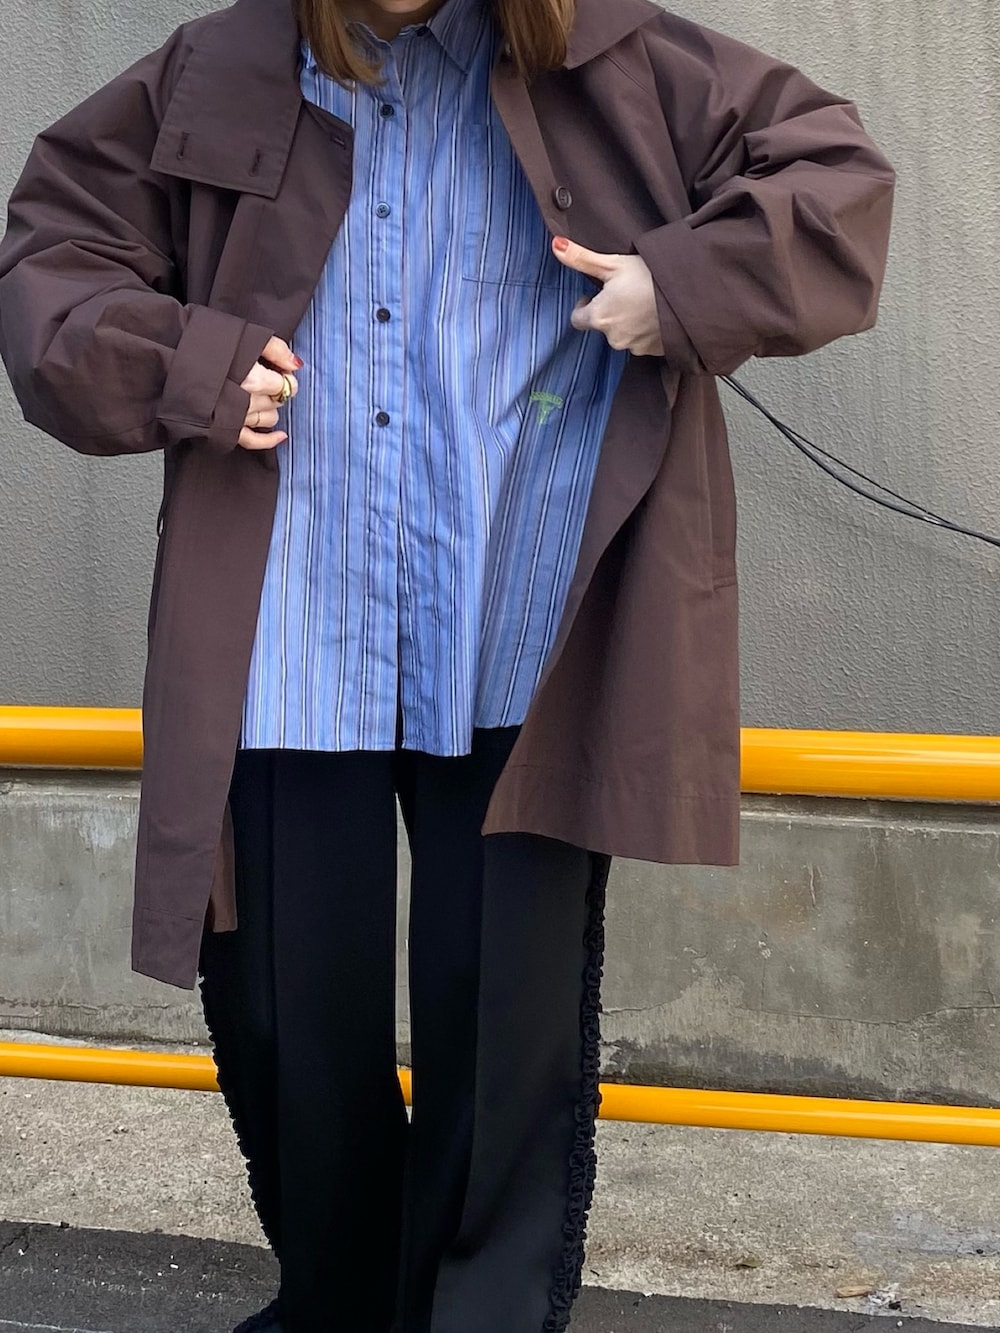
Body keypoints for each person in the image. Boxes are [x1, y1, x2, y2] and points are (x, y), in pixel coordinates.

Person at [0, 0, 894, 1328]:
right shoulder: (219, 66)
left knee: (507, 1027)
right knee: (286, 1017)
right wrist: (184, 364)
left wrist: (685, 286)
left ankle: (481, 1317)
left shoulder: (614, 58)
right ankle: (342, 1306)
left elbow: (836, 177)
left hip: (522, 625)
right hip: (295, 625)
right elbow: (50, 263)